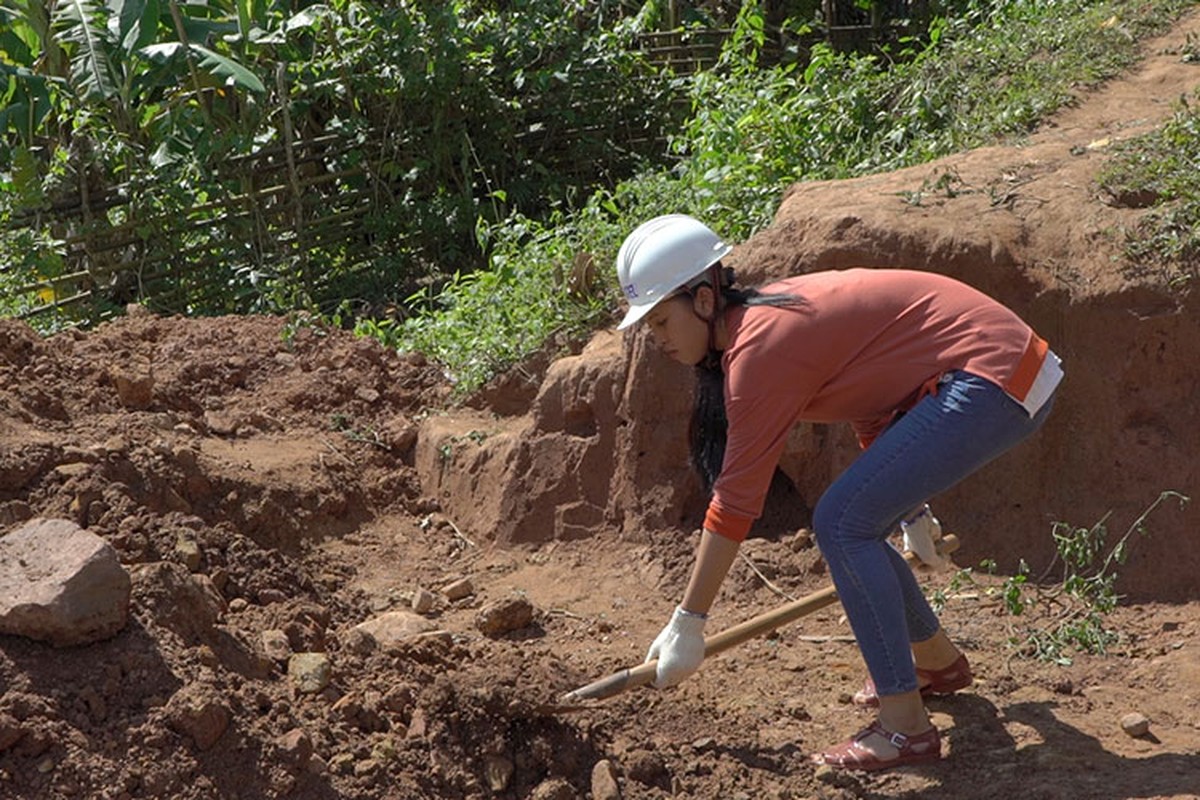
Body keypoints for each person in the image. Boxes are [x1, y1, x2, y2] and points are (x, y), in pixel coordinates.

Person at [616, 214, 1062, 771]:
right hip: (1006, 371)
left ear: (703, 300)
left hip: (992, 377)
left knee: (841, 522)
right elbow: (874, 404)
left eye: (660, 322)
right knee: (858, 520)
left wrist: (689, 622)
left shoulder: (760, 349)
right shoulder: (766, 323)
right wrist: (911, 511)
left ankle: (904, 730)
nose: (656, 340)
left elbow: (735, 502)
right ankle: (935, 665)